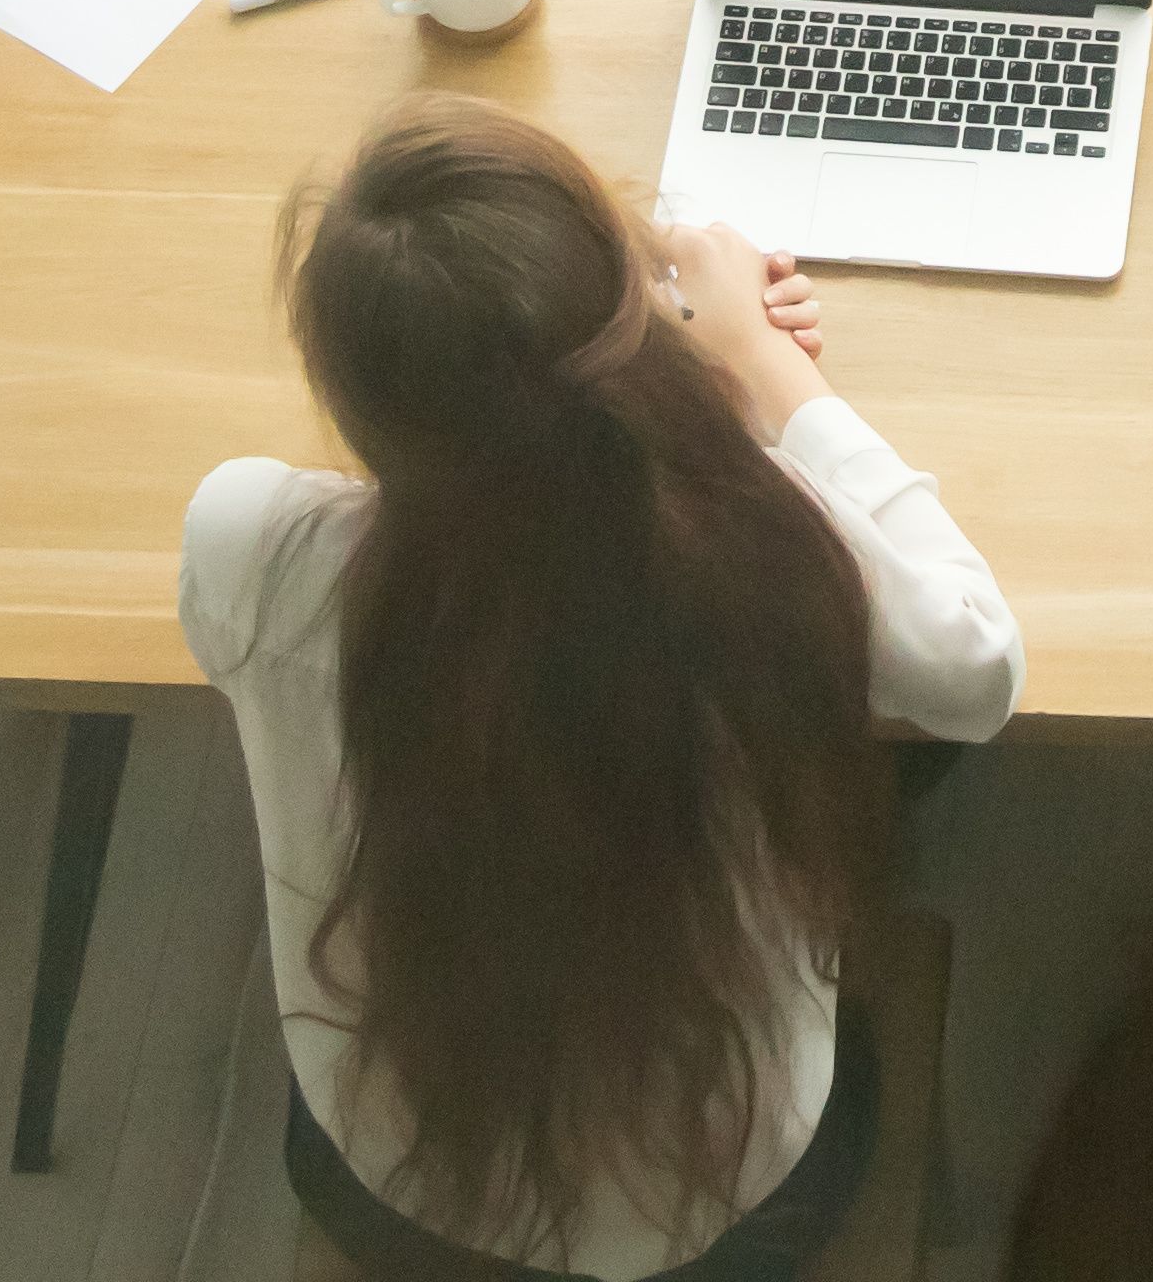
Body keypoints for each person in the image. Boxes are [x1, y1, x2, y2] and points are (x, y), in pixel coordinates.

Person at [185, 95, 1023, 1278]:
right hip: (728, 1215)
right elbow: (976, 667)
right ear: (625, 340)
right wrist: (760, 364)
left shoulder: (247, 549)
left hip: (388, 1188)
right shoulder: (756, 549)